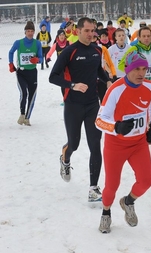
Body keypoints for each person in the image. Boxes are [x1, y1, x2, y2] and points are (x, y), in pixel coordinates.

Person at [95, 50, 151, 234]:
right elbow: (99, 120)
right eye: (137, 69)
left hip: (138, 144)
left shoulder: (150, 87)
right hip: (116, 146)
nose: (141, 73)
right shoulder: (115, 90)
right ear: (127, 69)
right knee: (111, 187)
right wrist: (117, 127)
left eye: (144, 69)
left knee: (146, 181)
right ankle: (106, 212)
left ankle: (128, 202)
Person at [49, 17, 112, 201]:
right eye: (87, 31)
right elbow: (53, 77)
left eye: (93, 30)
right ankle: (65, 158)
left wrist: (107, 80)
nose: (92, 34)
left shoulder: (97, 50)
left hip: (93, 105)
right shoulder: (69, 51)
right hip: (73, 105)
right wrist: (72, 85)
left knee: (95, 146)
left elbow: (98, 71)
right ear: (77, 31)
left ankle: (93, 188)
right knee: (74, 144)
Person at [8, 21, 42, 126]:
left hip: (32, 72)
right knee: (23, 93)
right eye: (28, 31)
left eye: (32, 31)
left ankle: (27, 118)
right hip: (21, 72)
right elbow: (11, 52)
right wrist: (11, 63)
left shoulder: (37, 43)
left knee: (32, 95)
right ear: (25, 32)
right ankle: (22, 113)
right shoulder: (19, 42)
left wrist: (36, 60)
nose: (30, 33)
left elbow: (41, 58)